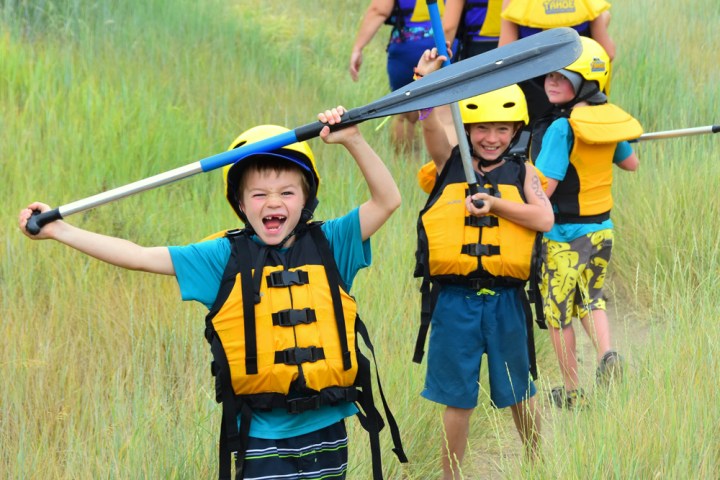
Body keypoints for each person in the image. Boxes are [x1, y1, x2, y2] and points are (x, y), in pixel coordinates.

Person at [18, 107, 406, 479]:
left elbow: (388, 200)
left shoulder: (333, 243)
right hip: (261, 438)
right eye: (259, 195)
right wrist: (60, 230)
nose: (273, 203)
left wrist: (354, 140)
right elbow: (138, 256)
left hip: (328, 430)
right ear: (239, 203)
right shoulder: (222, 257)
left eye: (287, 193)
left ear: (306, 200)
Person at [412, 48, 553, 478]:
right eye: (482, 128)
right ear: (468, 128)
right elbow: (431, 125)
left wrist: (494, 205)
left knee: (518, 392)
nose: (491, 137)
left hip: (507, 302)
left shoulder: (524, 172)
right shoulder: (448, 163)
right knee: (458, 397)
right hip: (455, 302)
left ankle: (538, 464)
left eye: (502, 128)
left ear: (515, 131)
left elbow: (544, 217)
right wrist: (426, 79)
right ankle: (449, 474)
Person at [533, 37, 642, 409]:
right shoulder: (609, 120)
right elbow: (631, 163)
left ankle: (573, 391)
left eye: (561, 76)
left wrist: (522, 180)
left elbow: (544, 190)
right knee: (591, 299)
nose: (550, 81)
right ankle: (607, 355)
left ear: (584, 82)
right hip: (601, 232)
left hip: (563, 236)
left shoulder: (562, 129)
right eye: (549, 75)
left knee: (559, 314)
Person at [349, 0, 457, 147]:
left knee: (404, 111)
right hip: (446, 44)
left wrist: (358, 48)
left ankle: (406, 161)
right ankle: (445, 165)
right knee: (446, 111)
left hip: (407, 46)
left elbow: (379, 10)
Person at [498, 0, 616, 123]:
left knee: (541, 136)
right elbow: (608, 53)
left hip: (535, 89)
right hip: (580, 87)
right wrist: (603, 20)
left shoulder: (514, 2)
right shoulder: (585, 3)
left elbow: (505, 59)